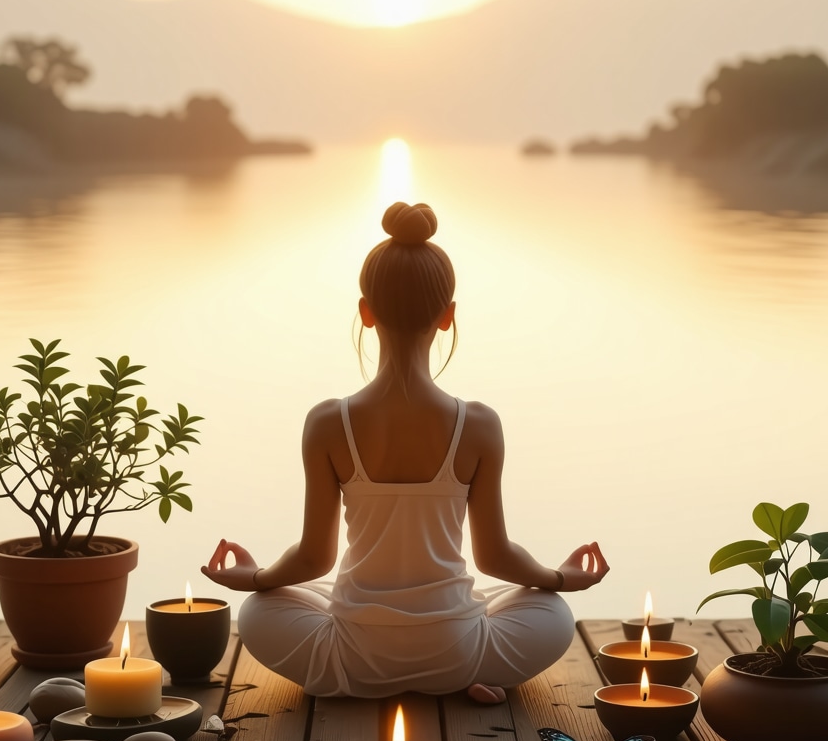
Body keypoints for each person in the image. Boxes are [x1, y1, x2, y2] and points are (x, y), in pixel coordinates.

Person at [201, 201, 609, 704]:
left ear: (365, 312)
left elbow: (313, 558)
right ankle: (464, 677)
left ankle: (370, 680)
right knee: (549, 610)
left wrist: (255, 578)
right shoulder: (478, 424)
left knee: (261, 610)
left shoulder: (329, 422)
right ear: (447, 317)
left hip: (351, 652)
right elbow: (496, 556)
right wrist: (560, 578)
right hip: (459, 649)